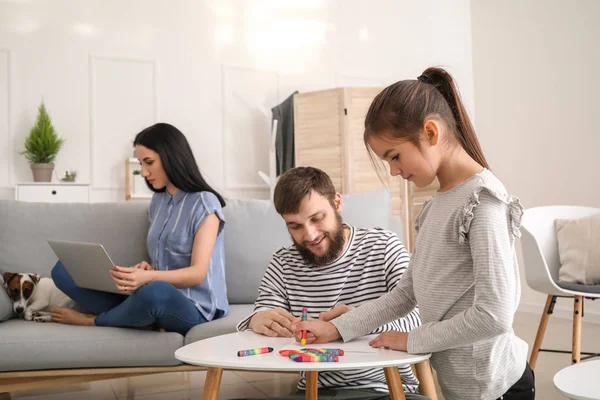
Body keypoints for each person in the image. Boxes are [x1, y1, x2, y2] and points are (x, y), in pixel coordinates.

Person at [293, 68, 535, 400]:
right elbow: (407, 293)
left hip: (499, 387)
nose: (393, 170)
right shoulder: (436, 207)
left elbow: (494, 315)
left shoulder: (483, 202)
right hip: (464, 388)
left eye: (394, 156)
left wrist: (412, 340)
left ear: (431, 132)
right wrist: (338, 328)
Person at [234, 167, 427, 400]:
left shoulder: (383, 246)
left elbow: (421, 320)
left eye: (317, 219)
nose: (310, 235)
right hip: (316, 391)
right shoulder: (283, 263)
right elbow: (262, 318)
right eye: (295, 226)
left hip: (385, 389)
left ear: (337, 203)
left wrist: (352, 322)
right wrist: (257, 319)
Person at [50, 123, 228, 335]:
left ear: (171, 156)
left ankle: (95, 321)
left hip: (194, 307)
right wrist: (147, 271)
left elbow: (197, 274)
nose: (143, 172)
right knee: (63, 270)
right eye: (141, 163)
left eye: (149, 162)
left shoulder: (205, 203)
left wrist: (149, 279)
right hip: (151, 293)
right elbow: (163, 264)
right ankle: (139, 318)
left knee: (155, 292)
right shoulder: (158, 202)